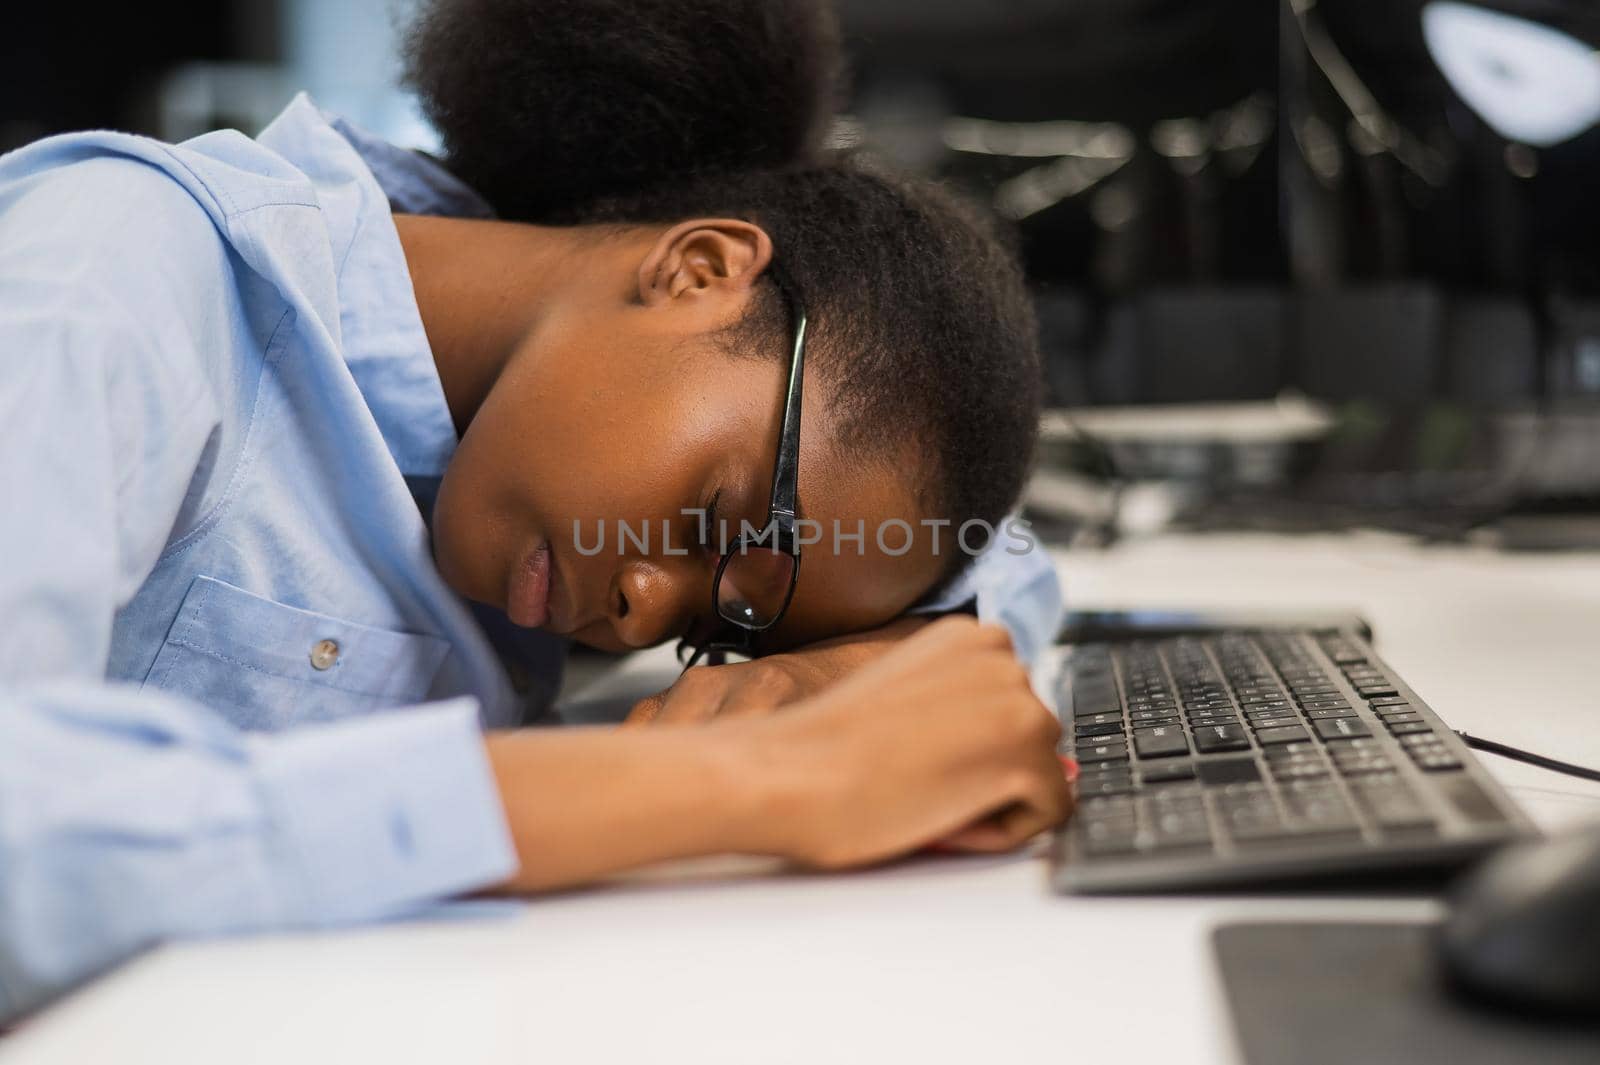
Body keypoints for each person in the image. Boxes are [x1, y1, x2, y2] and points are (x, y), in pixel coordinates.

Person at [0, 0, 1070, 1021]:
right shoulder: (112, 273)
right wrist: (744, 776)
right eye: (707, 524)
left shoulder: (537, 404)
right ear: (697, 270)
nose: (645, 609)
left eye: (711, 628)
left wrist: (819, 670)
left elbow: (998, 556)